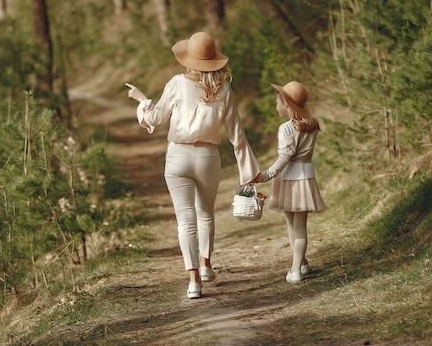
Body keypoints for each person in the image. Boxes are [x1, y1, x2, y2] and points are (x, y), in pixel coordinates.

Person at [125, 31, 259, 299]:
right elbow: (237, 136)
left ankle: (194, 281)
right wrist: (248, 172)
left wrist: (141, 100)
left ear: (188, 59)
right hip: (208, 157)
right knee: (205, 214)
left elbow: (155, 118)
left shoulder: (176, 83)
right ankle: (207, 265)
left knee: (185, 220)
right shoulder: (224, 89)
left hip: (177, 156)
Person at [252, 81, 326, 283]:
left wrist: (266, 175)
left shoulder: (286, 129)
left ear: (286, 105)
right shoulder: (311, 124)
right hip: (305, 177)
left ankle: (295, 271)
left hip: (288, 178)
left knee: (294, 226)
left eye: (277, 102)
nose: (276, 106)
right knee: (298, 225)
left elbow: (285, 156)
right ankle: (301, 262)